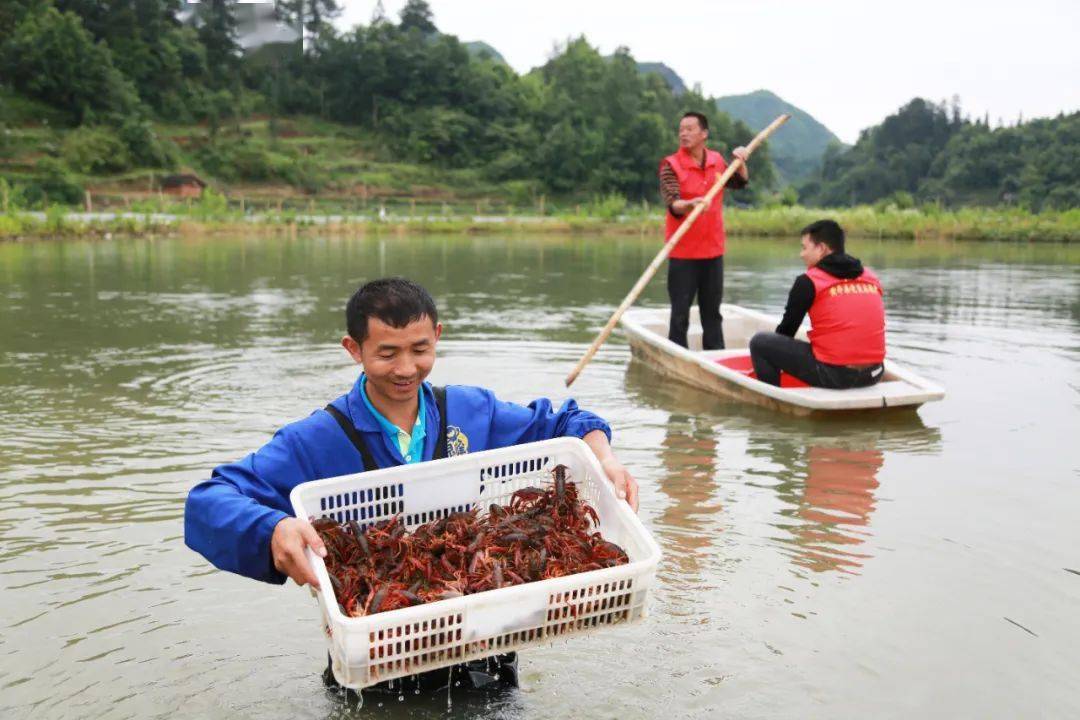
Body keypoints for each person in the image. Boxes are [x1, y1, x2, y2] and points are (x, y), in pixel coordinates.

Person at [184, 277, 639, 694]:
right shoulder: (317, 440)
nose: (406, 368)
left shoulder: (470, 411)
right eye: (386, 353)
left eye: (419, 349)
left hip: (483, 645)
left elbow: (567, 422)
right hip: (374, 657)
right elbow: (209, 501)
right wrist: (273, 528)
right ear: (353, 348)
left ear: (437, 336)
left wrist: (605, 458)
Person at [748, 220, 886, 389]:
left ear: (821, 248)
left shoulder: (808, 281)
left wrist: (768, 360)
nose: (801, 254)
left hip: (836, 376)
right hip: (874, 373)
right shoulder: (871, 276)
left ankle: (772, 400)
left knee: (760, 343)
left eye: (805, 248)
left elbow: (785, 332)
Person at [659, 111, 750, 350]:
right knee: (680, 314)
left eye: (689, 129)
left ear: (704, 134)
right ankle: (677, 356)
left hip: (712, 251)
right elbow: (673, 203)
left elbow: (739, 182)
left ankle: (716, 357)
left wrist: (741, 162)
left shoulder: (717, 161)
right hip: (683, 254)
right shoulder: (671, 165)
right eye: (681, 129)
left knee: (712, 313)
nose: (683, 134)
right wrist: (689, 204)